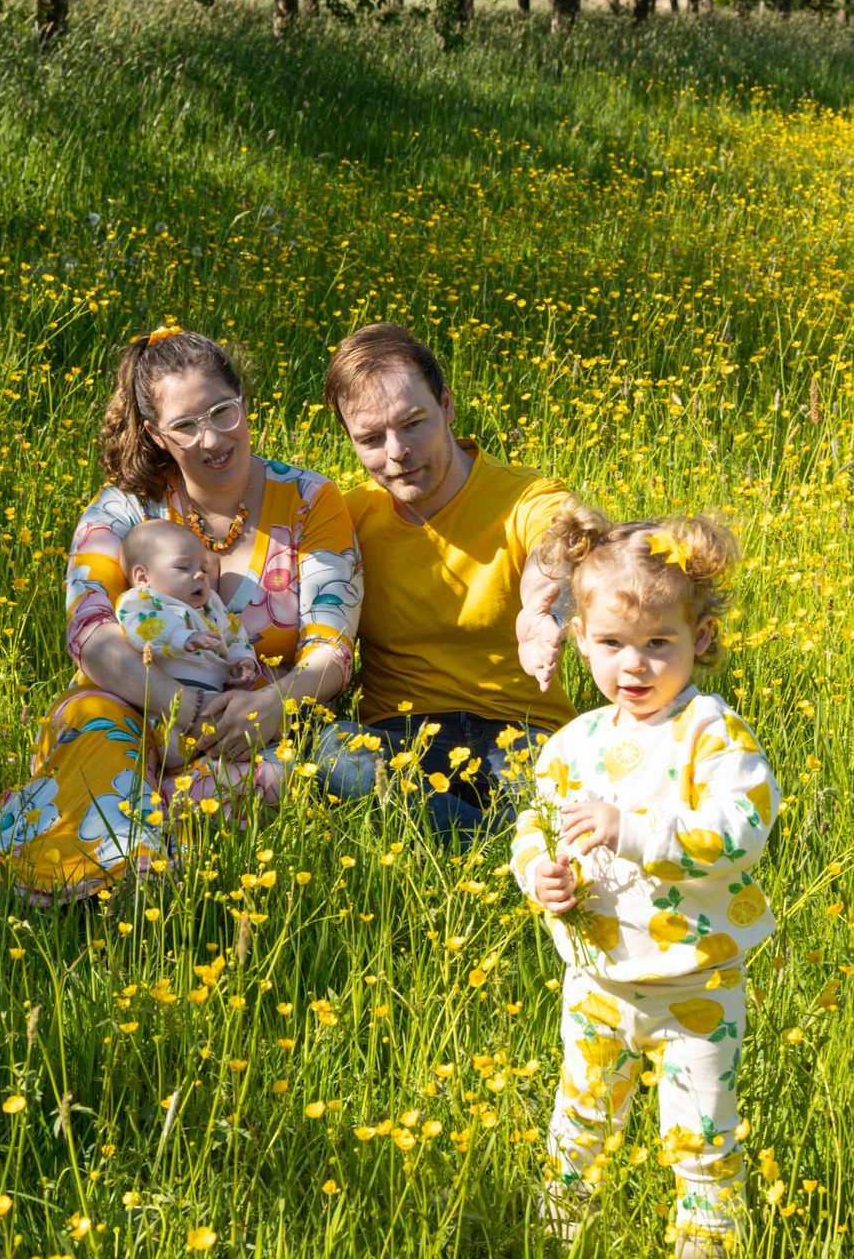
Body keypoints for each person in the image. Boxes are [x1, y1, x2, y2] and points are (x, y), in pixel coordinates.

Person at [0, 326, 361, 902]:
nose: (211, 439)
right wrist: (180, 704)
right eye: (185, 425)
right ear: (155, 432)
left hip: (250, 726)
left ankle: (1, 851)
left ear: (244, 400)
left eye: (223, 411)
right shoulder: (121, 507)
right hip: (126, 705)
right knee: (100, 732)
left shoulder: (310, 499)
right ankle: (118, 865)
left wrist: (267, 707)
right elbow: (91, 633)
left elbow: (333, 650)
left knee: (260, 784)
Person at [510, 506, 780, 1258]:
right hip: (596, 977)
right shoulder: (575, 742)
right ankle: (555, 1235)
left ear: (698, 639)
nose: (633, 666)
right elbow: (534, 827)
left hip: (695, 979)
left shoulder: (713, 734)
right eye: (611, 644)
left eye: (658, 644)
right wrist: (540, 875)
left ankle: (706, 1243)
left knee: (700, 1135)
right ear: (581, 641)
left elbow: (742, 829)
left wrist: (632, 830)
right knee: (580, 1120)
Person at [312, 322, 575, 834]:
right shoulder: (348, 519)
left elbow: (559, 547)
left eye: (413, 423)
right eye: (370, 438)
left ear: (447, 406)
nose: (396, 452)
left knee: (576, 794)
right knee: (325, 751)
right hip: (398, 741)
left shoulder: (526, 498)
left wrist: (541, 608)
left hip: (521, 734)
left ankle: (464, 838)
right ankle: (506, 844)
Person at [114, 518, 281, 805]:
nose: (199, 576)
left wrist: (243, 660)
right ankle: (171, 791)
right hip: (167, 704)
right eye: (183, 567)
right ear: (143, 577)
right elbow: (138, 627)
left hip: (214, 697)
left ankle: (195, 790)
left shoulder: (212, 609)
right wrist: (181, 637)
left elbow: (234, 633)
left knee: (233, 748)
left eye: (203, 569)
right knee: (173, 750)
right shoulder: (142, 600)